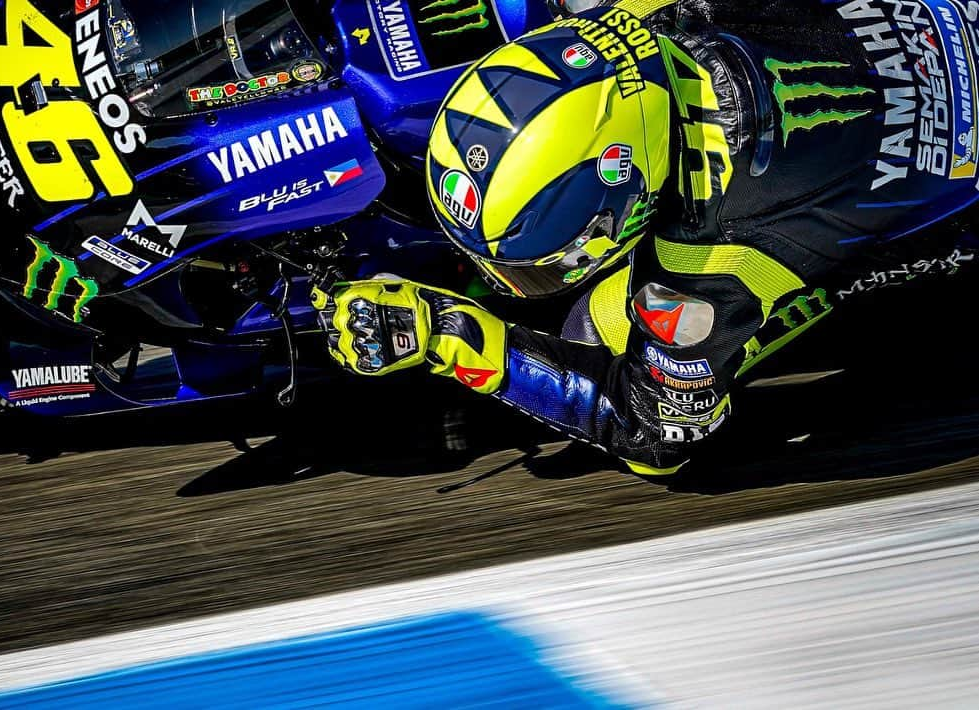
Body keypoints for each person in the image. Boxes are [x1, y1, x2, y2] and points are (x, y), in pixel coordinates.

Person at [313, 0, 979, 475]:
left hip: (946, 215)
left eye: (547, 258)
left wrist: (454, 338)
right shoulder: (638, 18)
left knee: (590, 329)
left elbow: (656, 431)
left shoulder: (713, 253)